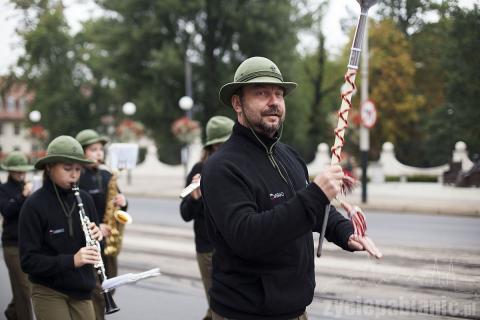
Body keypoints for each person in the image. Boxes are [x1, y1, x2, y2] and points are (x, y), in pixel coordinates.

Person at [200, 56, 382, 320]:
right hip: (245, 313)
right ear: (237, 103)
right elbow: (247, 236)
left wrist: (343, 232)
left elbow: (313, 210)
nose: (274, 101)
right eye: (261, 93)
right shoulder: (222, 167)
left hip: (296, 312)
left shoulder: (290, 156)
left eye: (278, 94)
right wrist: (315, 194)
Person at [18, 136, 103, 320]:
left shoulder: (85, 199)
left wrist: (98, 239)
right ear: (49, 168)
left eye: (78, 169)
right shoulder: (33, 205)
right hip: (48, 289)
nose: (74, 175)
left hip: (81, 288)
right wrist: (71, 260)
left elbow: (95, 252)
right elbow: (28, 261)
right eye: (67, 168)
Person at [180, 115, 235, 320]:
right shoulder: (199, 169)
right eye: (221, 145)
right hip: (208, 250)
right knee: (217, 305)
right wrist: (196, 198)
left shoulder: (239, 166)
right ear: (212, 147)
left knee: (231, 305)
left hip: (236, 246)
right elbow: (185, 213)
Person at [75, 129, 127, 320]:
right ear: (81, 153)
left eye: (100, 149)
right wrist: (97, 226)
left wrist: (123, 202)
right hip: (90, 241)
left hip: (108, 240)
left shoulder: (106, 176)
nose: (99, 153)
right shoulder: (78, 176)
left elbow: (118, 206)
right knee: (97, 291)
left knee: (110, 285)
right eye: (93, 149)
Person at [0, 151, 34, 320]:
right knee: (24, 288)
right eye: (18, 171)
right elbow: (7, 210)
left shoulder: (25, 187)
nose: (22, 174)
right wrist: (23, 196)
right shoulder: (3, 189)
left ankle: (13, 312)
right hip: (12, 245)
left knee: (27, 287)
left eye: (24, 171)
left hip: (28, 244)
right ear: (10, 171)